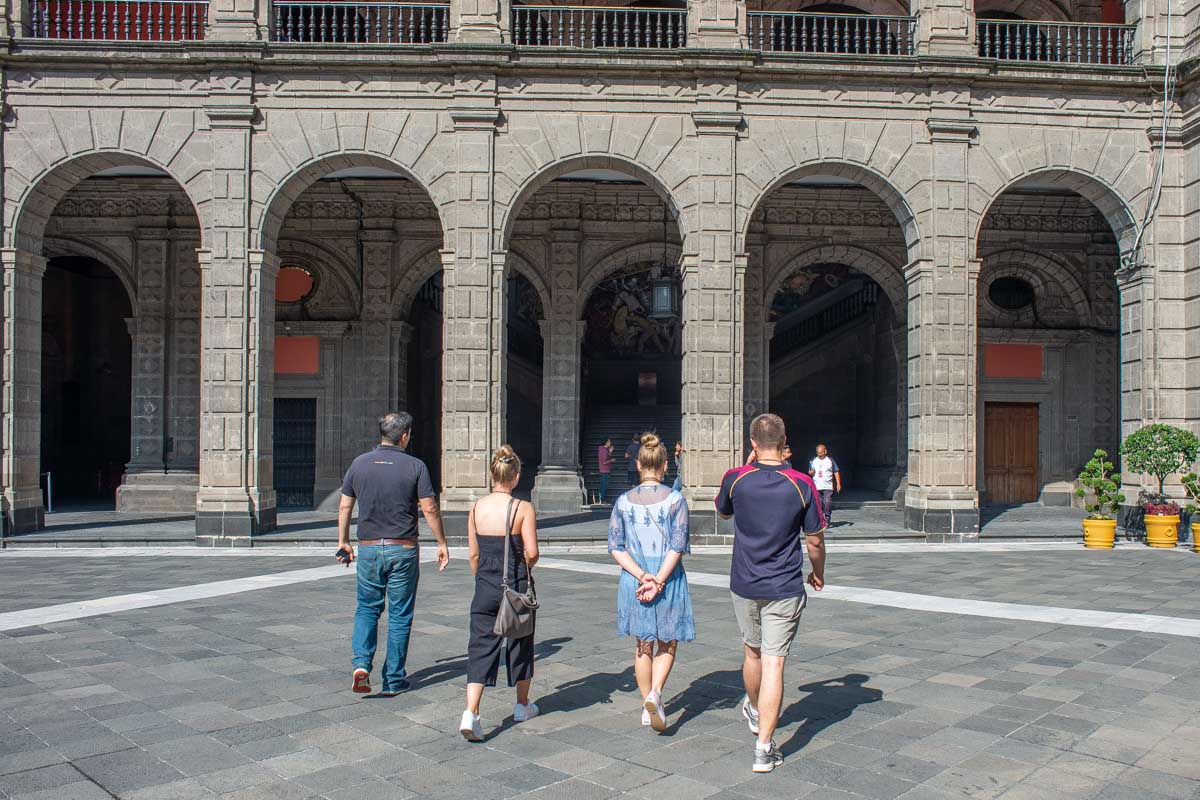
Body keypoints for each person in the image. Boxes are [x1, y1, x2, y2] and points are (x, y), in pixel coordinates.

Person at [716, 413, 826, 773]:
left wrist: (747, 467)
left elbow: (723, 513)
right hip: (784, 585)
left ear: (752, 443)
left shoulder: (735, 478)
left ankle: (753, 707)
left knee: (753, 652)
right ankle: (763, 749)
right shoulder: (802, 483)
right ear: (784, 440)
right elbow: (814, 540)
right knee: (774, 662)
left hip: (744, 583)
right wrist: (818, 573)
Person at [337, 412, 450, 696]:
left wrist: (344, 541)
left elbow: (345, 506)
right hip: (403, 547)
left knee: (367, 607)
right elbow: (429, 508)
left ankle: (361, 664)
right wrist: (441, 542)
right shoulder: (415, 466)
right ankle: (393, 679)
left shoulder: (359, 463)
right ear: (405, 436)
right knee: (400, 615)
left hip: (369, 547)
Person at [608, 433, 695, 733]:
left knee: (643, 644)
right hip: (667, 578)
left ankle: (647, 704)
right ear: (665, 465)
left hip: (636, 579)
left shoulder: (622, 502)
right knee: (667, 642)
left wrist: (641, 575)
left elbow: (615, 546)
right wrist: (658, 579)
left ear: (638, 464)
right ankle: (655, 694)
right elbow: (678, 545)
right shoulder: (676, 500)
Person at [460, 445, 541, 741]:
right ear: (515, 476)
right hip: (515, 585)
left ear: (492, 474)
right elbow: (532, 552)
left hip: (484, 584)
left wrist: (482, 577)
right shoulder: (523, 508)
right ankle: (521, 705)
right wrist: (525, 564)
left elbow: (473, 554)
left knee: (480, 647)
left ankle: (471, 712)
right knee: (520, 643)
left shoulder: (475, 508)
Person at [808, 443, 842, 525]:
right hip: (817, 486)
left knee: (827, 503)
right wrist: (811, 472)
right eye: (818, 453)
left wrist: (838, 483)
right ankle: (820, 520)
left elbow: (836, 471)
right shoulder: (813, 460)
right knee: (818, 504)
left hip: (828, 487)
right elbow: (810, 472)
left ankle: (827, 518)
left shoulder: (830, 460)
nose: (820, 454)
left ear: (825, 451)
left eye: (821, 452)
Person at [598, 438, 615, 503]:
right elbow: (604, 462)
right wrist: (611, 460)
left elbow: (606, 457)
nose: (610, 442)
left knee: (603, 485)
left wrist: (610, 451)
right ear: (606, 442)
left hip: (603, 470)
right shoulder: (604, 450)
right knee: (604, 485)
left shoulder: (603, 449)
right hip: (605, 470)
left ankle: (601, 499)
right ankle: (602, 499)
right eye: (609, 441)